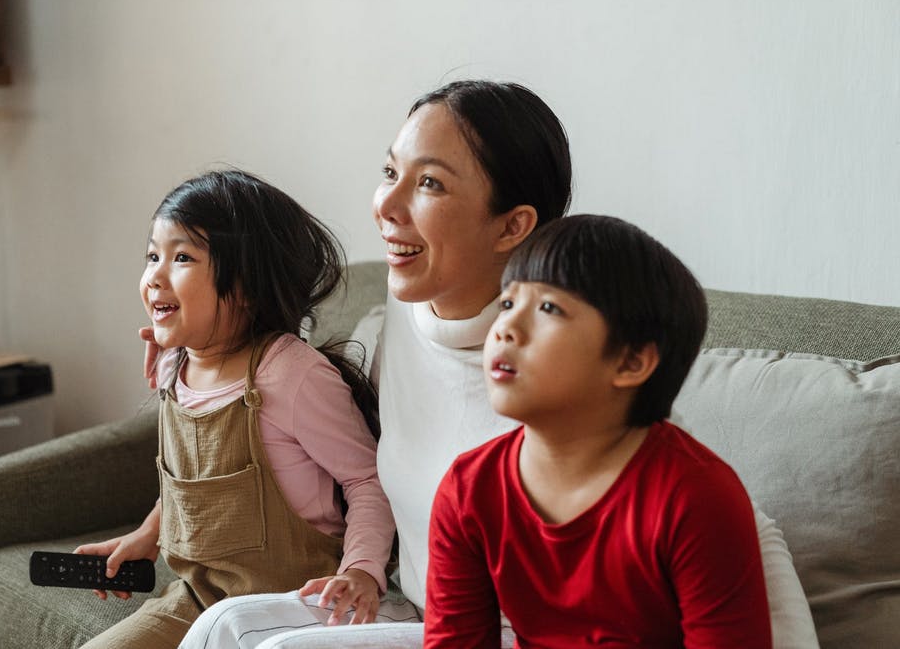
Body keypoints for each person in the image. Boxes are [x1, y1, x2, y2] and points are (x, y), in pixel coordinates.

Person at [179, 80, 818, 648]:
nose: (386, 204)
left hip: (521, 632)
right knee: (226, 626)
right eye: (391, 171)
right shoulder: (407, 315)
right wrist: (188, 359)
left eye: (428, 182)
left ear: (512, 226)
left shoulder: (575, 379)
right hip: (431, 612)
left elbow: (726, 524)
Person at [74, 170, 396, 648]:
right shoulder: (173, 368)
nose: (155, 276)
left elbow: (368, 479)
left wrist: (362, 571)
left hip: (294, 605)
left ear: (245, 286)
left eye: (181, 257)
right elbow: (196, 484)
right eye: (152, 256)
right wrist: (145, 535)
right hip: (197, 598)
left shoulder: (291, 375)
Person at [425, 214, 771, 648]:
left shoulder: (696, 497)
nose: (506, 329)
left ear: (630, 362)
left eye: (549, 308)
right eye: (508, 304)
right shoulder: (468, 490)